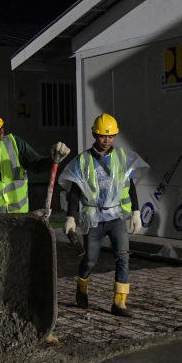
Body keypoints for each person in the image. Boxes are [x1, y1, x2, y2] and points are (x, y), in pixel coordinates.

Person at [58, 113, 149, 317]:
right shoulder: (83, 160)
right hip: (94, 218)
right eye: (101, 136)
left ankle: (119, 302)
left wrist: (136, 211)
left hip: (116, 216)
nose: (106, 140)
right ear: (94, 134)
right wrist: (70, 217)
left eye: (110, 136)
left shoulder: (123, 158)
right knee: (90, 259)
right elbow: (75, 191)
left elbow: (130, 185)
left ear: (115, 136)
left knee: (123, 256)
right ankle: (82, 287)